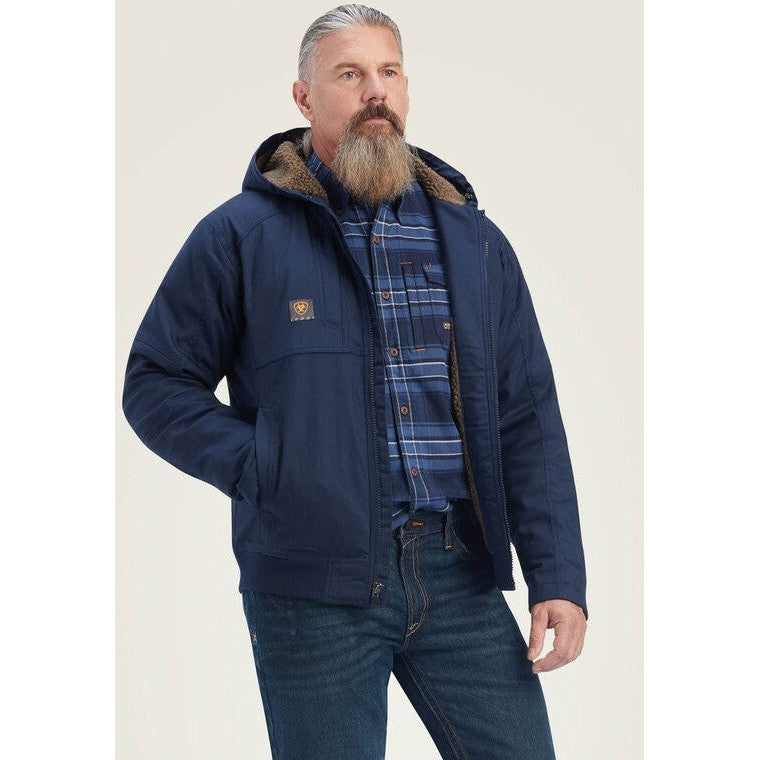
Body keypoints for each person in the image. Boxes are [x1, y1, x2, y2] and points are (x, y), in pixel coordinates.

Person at [122, 4, 588, 758]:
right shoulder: (240, 236)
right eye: (350, 74)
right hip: (311, 584)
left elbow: (527, 415)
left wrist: (557, 575)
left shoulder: (474, 242)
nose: (376, 91)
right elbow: (155, 382)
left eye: (389, 72)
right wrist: (271, 466)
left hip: (460, 572)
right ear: (304, 98)